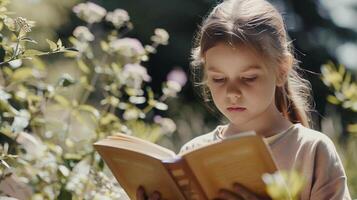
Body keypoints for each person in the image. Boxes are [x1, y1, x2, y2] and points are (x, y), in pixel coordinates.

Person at [137, 0, 352, 199]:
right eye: (219, 78)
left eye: (248, 78)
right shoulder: (193, 153)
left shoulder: (310, 150)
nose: (232, 92)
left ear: (281, 70)